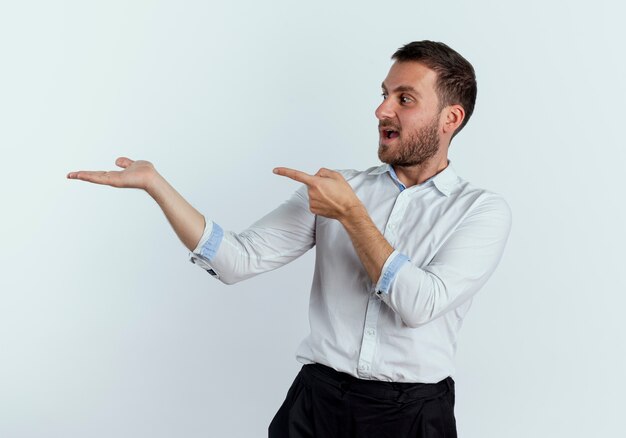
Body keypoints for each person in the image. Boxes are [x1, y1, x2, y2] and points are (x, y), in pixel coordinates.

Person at [67, 40, 512, 438]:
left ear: (450, 119)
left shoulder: (480, 212)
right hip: (316, 404)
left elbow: (419, 305)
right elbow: (236, 260)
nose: (382, 110)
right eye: (384, 94)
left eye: (405, 98)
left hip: (412, 415)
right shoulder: (339, 190)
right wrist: (156, 186)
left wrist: (353, 216)